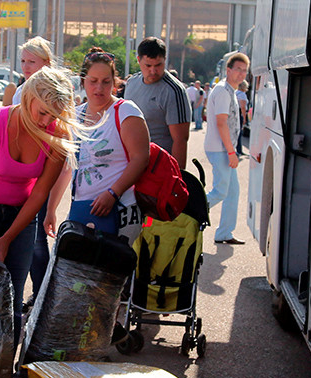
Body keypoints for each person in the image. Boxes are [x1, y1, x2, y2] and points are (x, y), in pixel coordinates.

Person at [0, 66, 78, 351]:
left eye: (54, 115)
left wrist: (9, 236)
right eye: (43, 112)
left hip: (22, 219)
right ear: (28, 98)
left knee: (13, 297)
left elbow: (39, 194)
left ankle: (3, 373)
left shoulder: (57, 136)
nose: (47, 121)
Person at [47, 48, 149, 243]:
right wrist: (51, 209)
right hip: (82, 212)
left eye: (106, 82)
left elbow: (140, 159)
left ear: (114, 82)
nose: (99, 88)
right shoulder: (74, 116)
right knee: (72, 271)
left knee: (112, 272)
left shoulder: (126, 111)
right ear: (83, 81)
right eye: (93, 81)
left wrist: (113, 193)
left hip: (121, 210)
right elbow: (67, 168)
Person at [12, 36, 55, 309]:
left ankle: (44, 298)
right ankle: (37, 296)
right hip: (21, 173)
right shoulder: (20, 90)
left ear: (46, 63)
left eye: (32, 61)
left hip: (44, 171)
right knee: (25, 239)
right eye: (24, 61)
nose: (27, 67)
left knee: (38, 241)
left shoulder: (53, 90)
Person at [123, 37, 191, 169]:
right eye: (148, 65)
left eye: (158, 65)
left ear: (165, 60)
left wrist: (178, 179)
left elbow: (180, 140)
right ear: (139, 60)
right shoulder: (131, 83)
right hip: (130, 163)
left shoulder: (174, 91)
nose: (153, 71)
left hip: (158, 168)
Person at [204, 52, 250, 245]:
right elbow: (221, 123)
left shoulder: (229, 90)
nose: (241, 74)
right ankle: (190, 211)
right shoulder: (223, 91)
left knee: (232, 192)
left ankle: (224, 233)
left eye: (244, 70)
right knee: (221, 191)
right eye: (238, 69)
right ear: (228, 70)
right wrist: (232, 152)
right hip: (220, 149)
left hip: (223, 148)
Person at [236, 80, 249, 156]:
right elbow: (243, 107)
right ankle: (239, 150)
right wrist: (244, 118)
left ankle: (238, 150)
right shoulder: (242, 94)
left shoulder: (236, 93)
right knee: (239, 133)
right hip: (240, 114)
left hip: (235, 114)